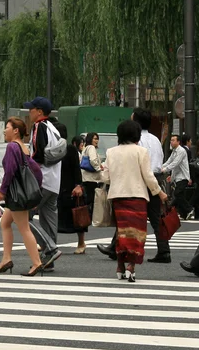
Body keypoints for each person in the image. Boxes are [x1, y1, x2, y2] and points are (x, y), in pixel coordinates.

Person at [97, 108, 167, 263]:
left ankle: (118, 249)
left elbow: (140, 169)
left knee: (126, 216)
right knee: (156, 218)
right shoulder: (155, 140)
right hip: (155, 177)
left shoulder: (136, 142)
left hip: (139, 181)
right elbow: (159, 161)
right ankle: (164, 249)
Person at [0, 117, 44, 276]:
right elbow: (37, 171)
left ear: (15, 130)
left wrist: (2, 190)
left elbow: (9, 172)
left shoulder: (12, 147)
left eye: (7, 127)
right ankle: (6, 259)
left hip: (16, 195)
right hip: (21, 194)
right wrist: (36, 190)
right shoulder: (24, 147)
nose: (4, 130)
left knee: (24, 228)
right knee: (5, 223)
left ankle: (36, 262)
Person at [25, 97, 62, 270]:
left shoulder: (39, 126)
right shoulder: (54, 128)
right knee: (49, 220)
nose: (29, 112)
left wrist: (27, 168)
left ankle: (50, 250)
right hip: (55, 181)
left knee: (23, 217)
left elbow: (37, 154)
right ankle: (49, 259)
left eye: (31, 109)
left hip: (42, 180)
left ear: (39, 112)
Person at [54, 123, 86, 254]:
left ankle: (81, 243)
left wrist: (78, 185)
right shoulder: (51, 149)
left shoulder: (70, 149)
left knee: (77, 216)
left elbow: (76, 169)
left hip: (70, 187)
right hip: (57, 187)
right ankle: (49, 243)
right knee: (53, 218)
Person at [162, 134, 193, 220]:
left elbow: (175, 163)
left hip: (183, 176)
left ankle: (189, 209)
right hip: (178, 177)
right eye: (171, 140)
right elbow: (169, 162)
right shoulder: (174, 151)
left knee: (177, 194)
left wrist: (164, 170)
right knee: (179, 195)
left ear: (178, 142)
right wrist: (160, 167)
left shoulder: (181, 151)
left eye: (173, 140)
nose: (171, 142)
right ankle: (183, 213)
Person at [81, 132, 103, 220]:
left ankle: (86, 216)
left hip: (86, 177)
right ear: (90, 139)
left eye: (97, 138)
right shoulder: (91, 148)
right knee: (91, 199)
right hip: (92, 178)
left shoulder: (86, 148)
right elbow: (93, 160)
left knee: (88, 198)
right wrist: (99, 168)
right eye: (94, 138)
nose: (96, 140)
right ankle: (88, 217)